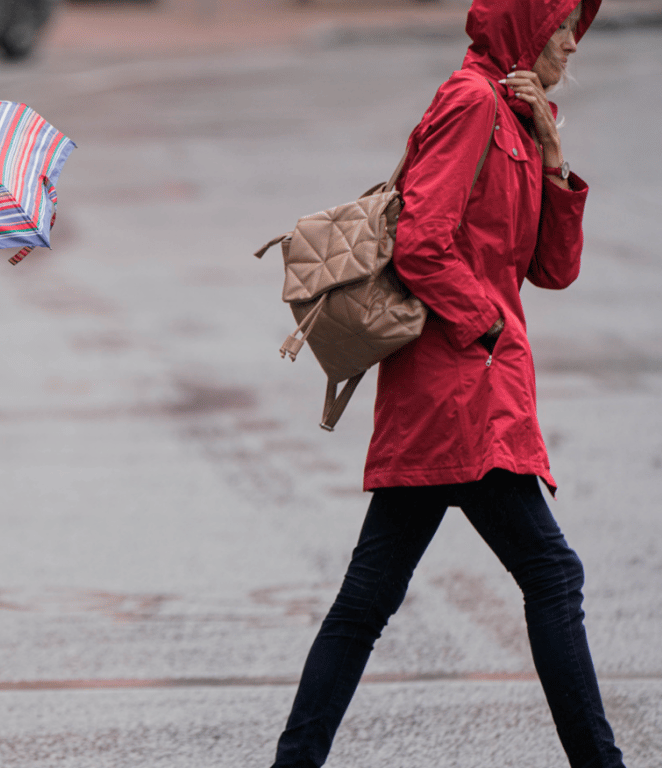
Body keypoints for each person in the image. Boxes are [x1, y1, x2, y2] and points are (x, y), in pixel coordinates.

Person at [269, 1, 628, 766]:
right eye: (562, 24)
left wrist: (553, 152)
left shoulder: (515, 114)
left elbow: (553, 271)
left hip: (465, 387)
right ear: (527, 30)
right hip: (460, 389)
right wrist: (486, 327)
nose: (572, 40)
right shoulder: (470, 102)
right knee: (552, 572)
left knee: (366, 600)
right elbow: (420, 242)